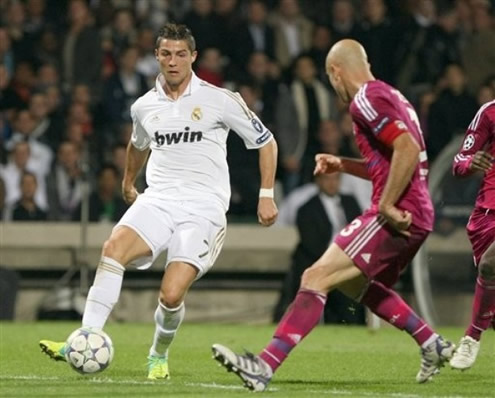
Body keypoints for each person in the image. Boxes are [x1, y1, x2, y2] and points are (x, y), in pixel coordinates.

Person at [212, 39, 455, 391]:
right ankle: (431, 342)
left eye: (330, 79)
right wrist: (343, 163)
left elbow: (408, 148)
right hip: (415, 210)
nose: (333, 87)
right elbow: (393, 161)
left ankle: (264, 365)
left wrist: (386, 206)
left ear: (335, 72)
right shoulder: (390, 95)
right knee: (358, 286)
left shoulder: (364, 100)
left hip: (398, 210)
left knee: (315, 276)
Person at [39, 23, 278, 380]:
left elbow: (266, 141)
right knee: (113, 248)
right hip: (159, 200)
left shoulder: (220, 99)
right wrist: (127, 181)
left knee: (170, 294)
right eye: (166, 53)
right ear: (156, 57)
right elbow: (138, 145)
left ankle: (157, 354)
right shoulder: (144, 106)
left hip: (203, 209)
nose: (173, 61)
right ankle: (85, 337)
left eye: (181, 54)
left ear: (193, 57)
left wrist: (266, 195)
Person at [273, 172, 365, 324]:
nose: (331, 183)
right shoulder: (306, 209)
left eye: (335, 179)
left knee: (352, 297)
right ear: (318, 181)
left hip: (347, 264)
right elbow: (311, 244)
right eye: (327, 179)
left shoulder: (351, 203)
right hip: (319, 264)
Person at [449, 99, 495, 370]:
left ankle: (471, 336)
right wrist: (471, 162)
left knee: (491, 264)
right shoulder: (489, 112)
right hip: (486, 216)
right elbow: (460, 161)